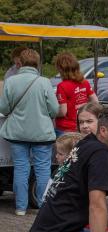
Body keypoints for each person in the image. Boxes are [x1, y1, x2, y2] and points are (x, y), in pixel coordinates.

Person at [0, 49, 59, 215]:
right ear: (38, 63)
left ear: (20, 62)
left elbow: (3, 108)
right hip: (42, 134)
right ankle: (42, 206)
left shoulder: (11, 82)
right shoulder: (44, 82)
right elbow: (54, 109)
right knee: (42, 170)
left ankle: (20, 207)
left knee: (20, 169)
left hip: (17, 133)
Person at [54, 52, 98, 136]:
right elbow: (95, 101)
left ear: (61, 69)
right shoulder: (84, 82)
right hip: (81, 125)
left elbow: (63, 111)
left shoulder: (62, 86)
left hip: (65, 128)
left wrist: (52, 113)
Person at [42, 133, 83, 201]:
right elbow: (46, 196)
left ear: (73, 155)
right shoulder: (57, 171)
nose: (56, 156)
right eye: (57, 153)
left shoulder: (79, 175)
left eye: (60, 154)